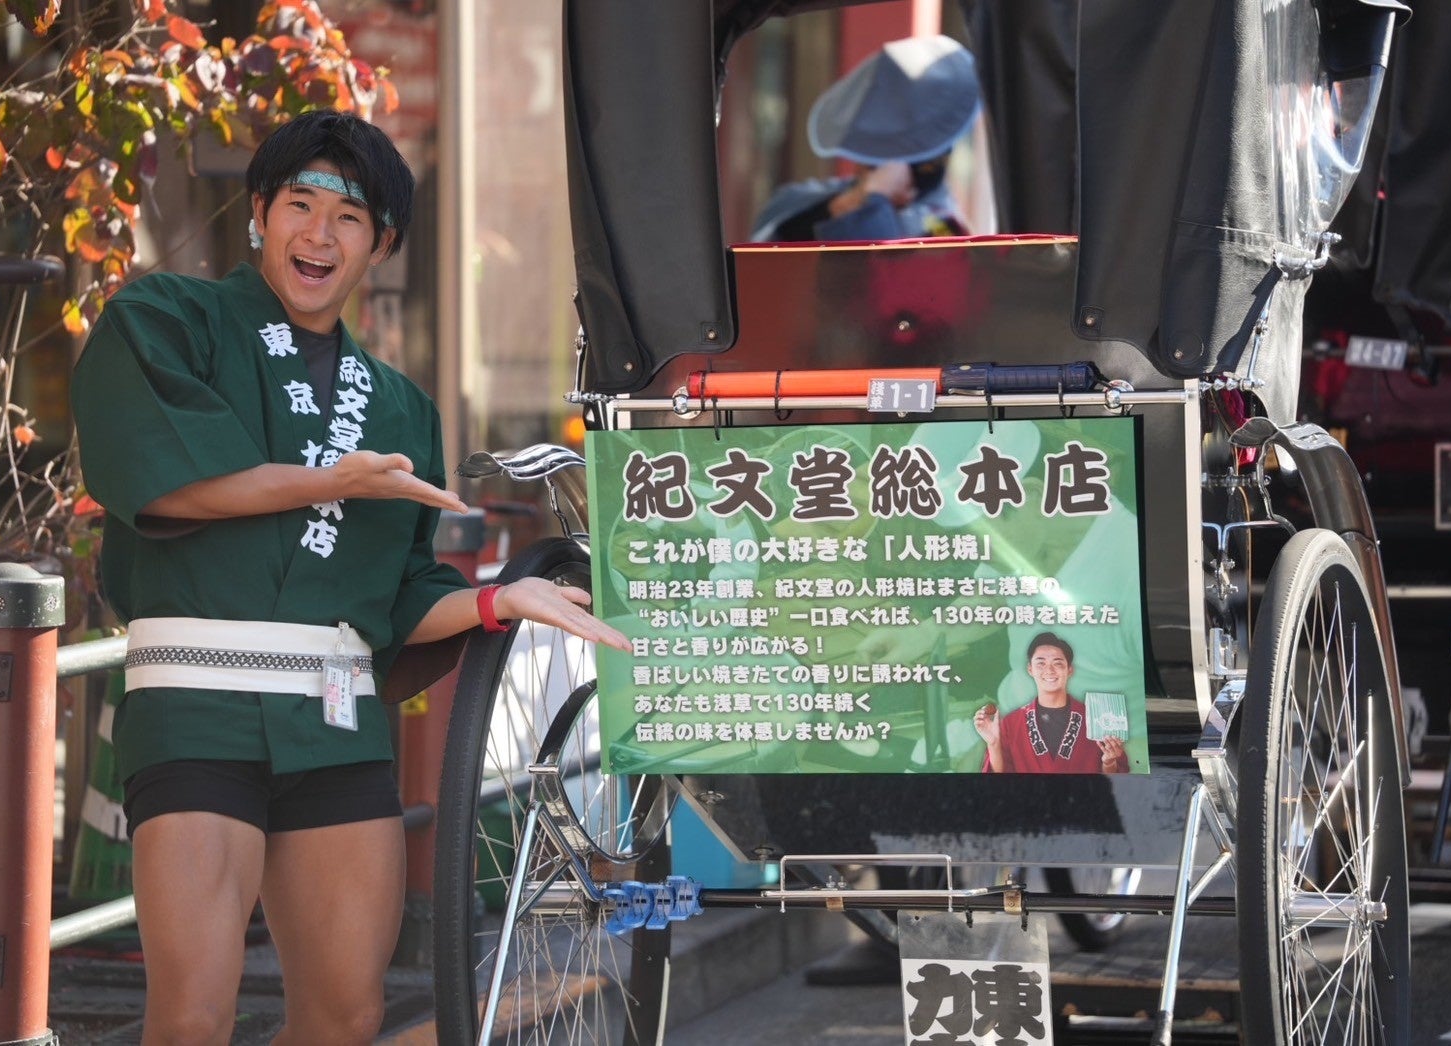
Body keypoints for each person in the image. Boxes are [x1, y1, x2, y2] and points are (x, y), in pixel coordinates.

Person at [71, 109, 629, 1045]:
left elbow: (395, 599)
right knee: (194, 1014)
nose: (318, 235)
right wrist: (331, 480)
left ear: (383, 243)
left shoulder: (402, 408)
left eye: (350, 218)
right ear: (259, 214)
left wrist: (495, 598)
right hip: (195, 701)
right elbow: (171, 485)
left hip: (334, 717)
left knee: (345, 1016)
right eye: (300, 205)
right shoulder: (167, 318)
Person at [750, 34, 981, 243]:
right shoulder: (805, 200)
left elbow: (876, 280)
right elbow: (765, 250)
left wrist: (874, 203)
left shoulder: (943, 231)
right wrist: (849, 204)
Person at [975, 632, 1128, 774]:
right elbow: (997, 780)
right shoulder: (1011, 723)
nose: (1049, 670)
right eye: (1041, 663)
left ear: (1069, 670)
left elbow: (1116, 782)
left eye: (1058, 663)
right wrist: (994, 743)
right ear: (1030, 669)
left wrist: (1109, 762)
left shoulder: (1098, 719)